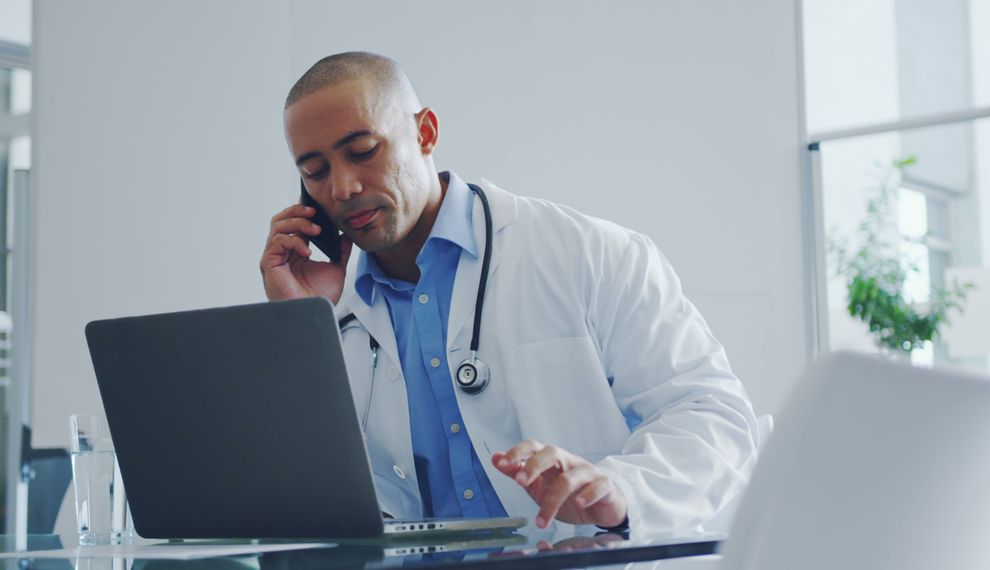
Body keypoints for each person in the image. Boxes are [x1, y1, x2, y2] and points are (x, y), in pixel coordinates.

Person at [260, 52, 759, 534]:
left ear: (425, 132)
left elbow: (714, 417)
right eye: (315, 171)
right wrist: (302, 333)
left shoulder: (586, 252)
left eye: (363, 152)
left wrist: (621, 489)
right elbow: (298, 496)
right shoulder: (326, 306)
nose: (342, 187)